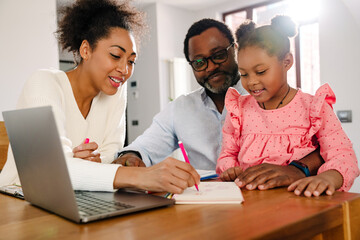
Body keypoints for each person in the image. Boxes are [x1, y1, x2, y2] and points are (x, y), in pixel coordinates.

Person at [0, 0, 199, 194]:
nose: (124, 70)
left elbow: (108, 159)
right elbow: (49, 170)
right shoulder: (43, 82)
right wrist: (145, 176)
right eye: (115, 55)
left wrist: (74, 164)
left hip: (77, 196)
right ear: (86, 50)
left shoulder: (116, 93)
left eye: (131, 61)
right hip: (18, 200)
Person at [114, 18, 325, 191]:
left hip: (273, 198)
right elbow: (143, 148)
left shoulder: (270, 95)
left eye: (219, 55)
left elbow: (327, 147)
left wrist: (299, 168)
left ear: (235, 49)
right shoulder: (180, 109)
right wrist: (131, 157)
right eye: (199, 62)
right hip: (209, 206)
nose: (211, 67)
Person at [216, 16, 359, 197]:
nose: (251, 82)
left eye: (261, 71)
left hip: (300, 201)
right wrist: (230, 170)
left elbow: (343, 154)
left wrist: (329, 177)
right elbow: (227, 155)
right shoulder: (239, 110)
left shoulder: (314, 107)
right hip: (251, 203)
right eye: (243, 74)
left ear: (287, 62)